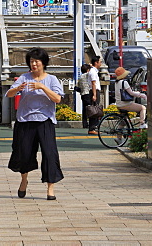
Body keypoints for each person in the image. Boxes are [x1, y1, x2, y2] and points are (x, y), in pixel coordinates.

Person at [6, 47, 64, 200]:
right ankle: (24, 180)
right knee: (23, 154)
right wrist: (18, 88)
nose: (34, 64)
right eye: (31, 61)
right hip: (25, 121)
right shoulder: (24, 77)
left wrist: (42, 87)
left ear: (43, 63)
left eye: (36, 61)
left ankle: (50, 188)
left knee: (50, 154)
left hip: (45, 121)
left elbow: (57, 99)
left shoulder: (51, 79)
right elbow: (9, 94)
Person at [77, 62, 94, 135]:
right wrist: (91, 66)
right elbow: (92, 73)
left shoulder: (80, 77)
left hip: (83, 94)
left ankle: (84, 123)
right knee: (90, 109)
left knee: (85, 109)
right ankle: (91, 124)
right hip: (87, 93)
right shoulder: (87, 75)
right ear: (87, 70)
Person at [86, 58, 103, 133]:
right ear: (96, 63)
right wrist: (94, 94)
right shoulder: (93, 72)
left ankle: (94, 127)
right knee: (94, 110)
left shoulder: (93, 71)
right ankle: (92, 128)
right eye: (100, 62)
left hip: (94, 91)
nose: (100, 64)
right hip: (94, 91)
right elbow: (93, 84)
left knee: (95, 109)